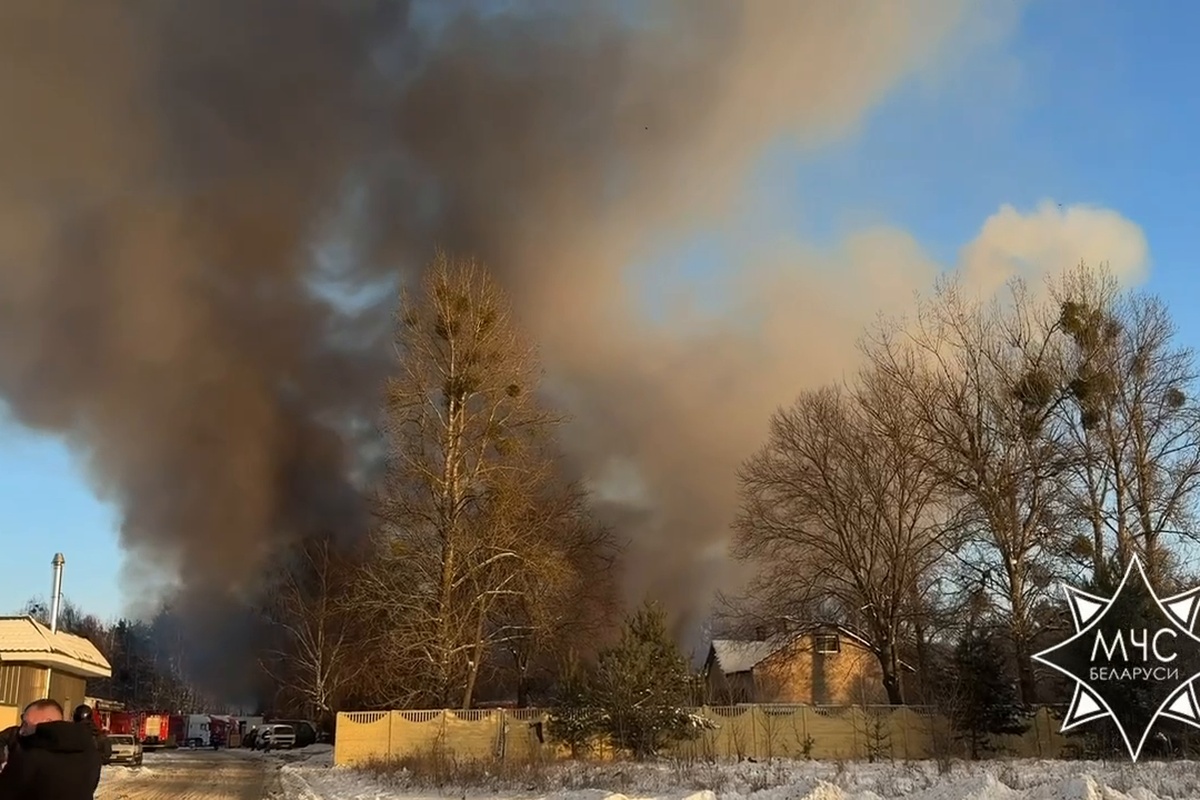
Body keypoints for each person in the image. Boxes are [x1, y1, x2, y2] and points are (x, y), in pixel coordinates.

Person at [0, 698, 101, 800]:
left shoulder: (30, 756)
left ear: (47, 723)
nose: (21, 731)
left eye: (26, 724)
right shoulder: (90, 754)